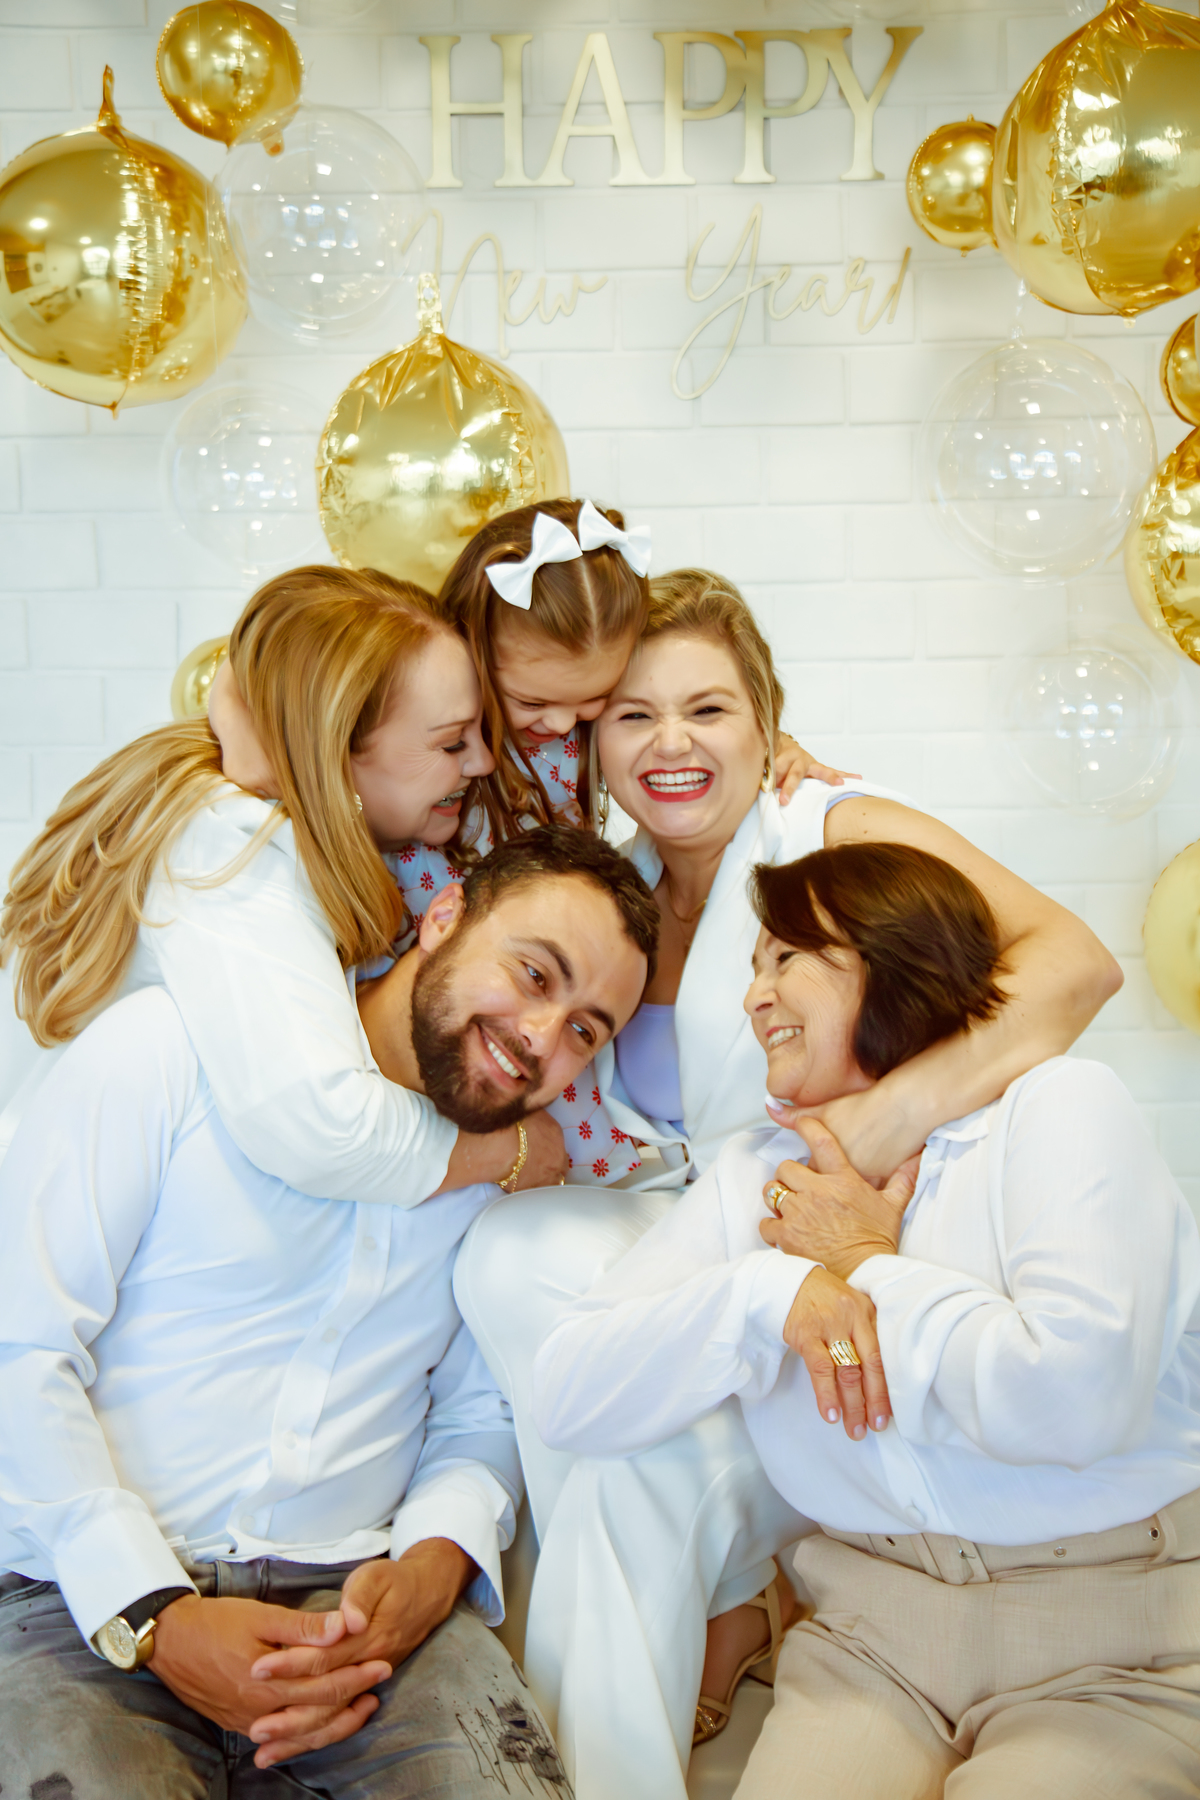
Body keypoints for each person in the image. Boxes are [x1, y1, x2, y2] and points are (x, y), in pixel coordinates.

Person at [452, 568, 1123, 1795]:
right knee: (512, 1263)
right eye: (635, 715)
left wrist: (878, 1123)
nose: (671, 743)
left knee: (616, 1460)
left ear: (767, 726)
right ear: (592, 739)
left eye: (708, 709)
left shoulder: (826, 830)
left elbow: (1076, 964)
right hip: (713, 1248)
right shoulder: (615, 887)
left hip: (826, 1230)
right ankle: (732, 1600)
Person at [533, 839, 1200, 1800]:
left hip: (1113, 1629)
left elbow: (1075, 1403)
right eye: (752, 967)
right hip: (872, 1639)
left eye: (786, 958)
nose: (754, 997)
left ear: (896, 959)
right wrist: (768, 1295)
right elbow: (565, 1394)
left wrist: (865, 1266)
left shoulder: (1056, 1107)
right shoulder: (757, 1180)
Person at [0, 825, 655, 1796]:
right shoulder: (170, 1049)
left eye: (586, 1031)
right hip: (80, 1604)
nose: (541, 1036)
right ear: (444, 918)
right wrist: (154, 1613)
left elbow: (479, 1416)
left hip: (361, 1619)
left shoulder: (514, 1177)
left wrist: (433, 1569)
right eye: (532, 974)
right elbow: (19, 1349)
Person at [0, 565, 565, 1200]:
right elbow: (321, 1130)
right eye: (452, 743)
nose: (482, 761)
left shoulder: (248, 810)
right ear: (337, 751)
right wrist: (506, 1150)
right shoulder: (237, 848)